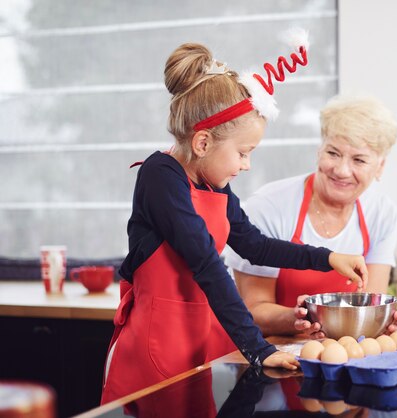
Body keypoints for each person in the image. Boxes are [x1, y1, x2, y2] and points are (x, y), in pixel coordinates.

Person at [101, 32, 369, 403]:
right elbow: (207, 264)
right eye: (243, 153)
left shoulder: (214, 184)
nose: (247, 164)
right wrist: (258, 349)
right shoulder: (160, 176)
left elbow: (253, 245)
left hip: (198, 345)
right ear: (203, 143)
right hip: (155, 352)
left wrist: (327, 258)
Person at [224, 95, 397, 339]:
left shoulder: (381, 213)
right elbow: (252, 311)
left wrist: (385, 315)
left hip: (345, 353)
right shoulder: (269, 207)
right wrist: (301, 317)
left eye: (359, 159)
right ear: (319, 151)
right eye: (333, 153)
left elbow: (370, 302)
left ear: (380, 167)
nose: (341, 170)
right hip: (272, 353)